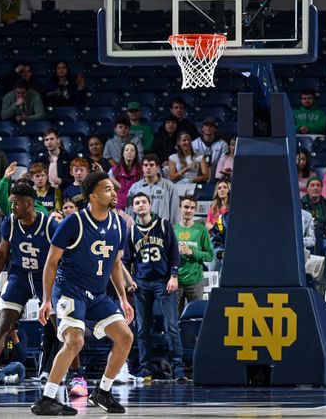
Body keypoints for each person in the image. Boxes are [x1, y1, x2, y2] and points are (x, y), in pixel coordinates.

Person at [32, 172, 134, 415]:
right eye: (107, 189)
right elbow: (50, 263)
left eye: (113, 189)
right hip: (69, 289)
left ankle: (103, 392)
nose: (113, 193)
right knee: (75, 340)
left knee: (125, 337)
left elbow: (116, 264)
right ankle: (47, 398)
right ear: (93, 196)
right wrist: (46, 300)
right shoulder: (74, 222)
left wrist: (122, 298)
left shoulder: (119, 223)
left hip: (98, 294)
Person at [0, 184, 58, 377]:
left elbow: (59, 257)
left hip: (43, 276)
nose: (11, 206)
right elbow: (3, 254)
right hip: (19, 275)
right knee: (4, 323)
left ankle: (74, 372)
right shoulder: (10, 223)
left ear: (28, 204)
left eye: (15, 203)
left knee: (61, 325)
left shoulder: (49, 225)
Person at [125, 192, 185, 381]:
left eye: (144, 202)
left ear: (150, 206)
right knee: (142, 329)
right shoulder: (132, 230)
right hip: (141, 284)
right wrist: (129, 281)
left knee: (171, 327)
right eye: (137, 203)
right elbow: (126, 261)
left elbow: (175, 254)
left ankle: (178, 368)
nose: (141, 205)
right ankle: (146, 368)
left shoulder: (163, 225)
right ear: (133, 208)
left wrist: (174, 276)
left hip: (163, 282)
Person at [174, 195, 213, 312]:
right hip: (176, 281)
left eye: (192, 208)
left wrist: (191, 252)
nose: (189, 210)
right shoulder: (172, 229)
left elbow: (210, 256)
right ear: (179, 209)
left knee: (195, 318)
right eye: (186, 207)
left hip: (195, 282)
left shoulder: (202, 230)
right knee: (173, 320)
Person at [301, 177, 326, 283]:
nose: (315, 188)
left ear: (322, 188)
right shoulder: (300, 204)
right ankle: (307, 279)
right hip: (306, 240)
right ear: (307, 189)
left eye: (318, 185)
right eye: (312, 185)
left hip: (323, 239)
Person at [127, 154, 181, 224]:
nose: (148, 168)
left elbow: (175, 212)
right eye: (146, 165)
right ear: (142, 168)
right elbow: (129, 212)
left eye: (151, 165)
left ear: (157, 167)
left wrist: (173, 231)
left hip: (162, 229)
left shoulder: (169, 187)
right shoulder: (134, 188)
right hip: (140, 230)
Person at [109, 142, 143, 210]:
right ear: (123, 153)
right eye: (126, 150)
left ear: (136, 154)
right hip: (118, 207)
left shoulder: (141, 171)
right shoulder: (114, 171)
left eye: (132, 150)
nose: (129, 152)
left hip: (136, 207)